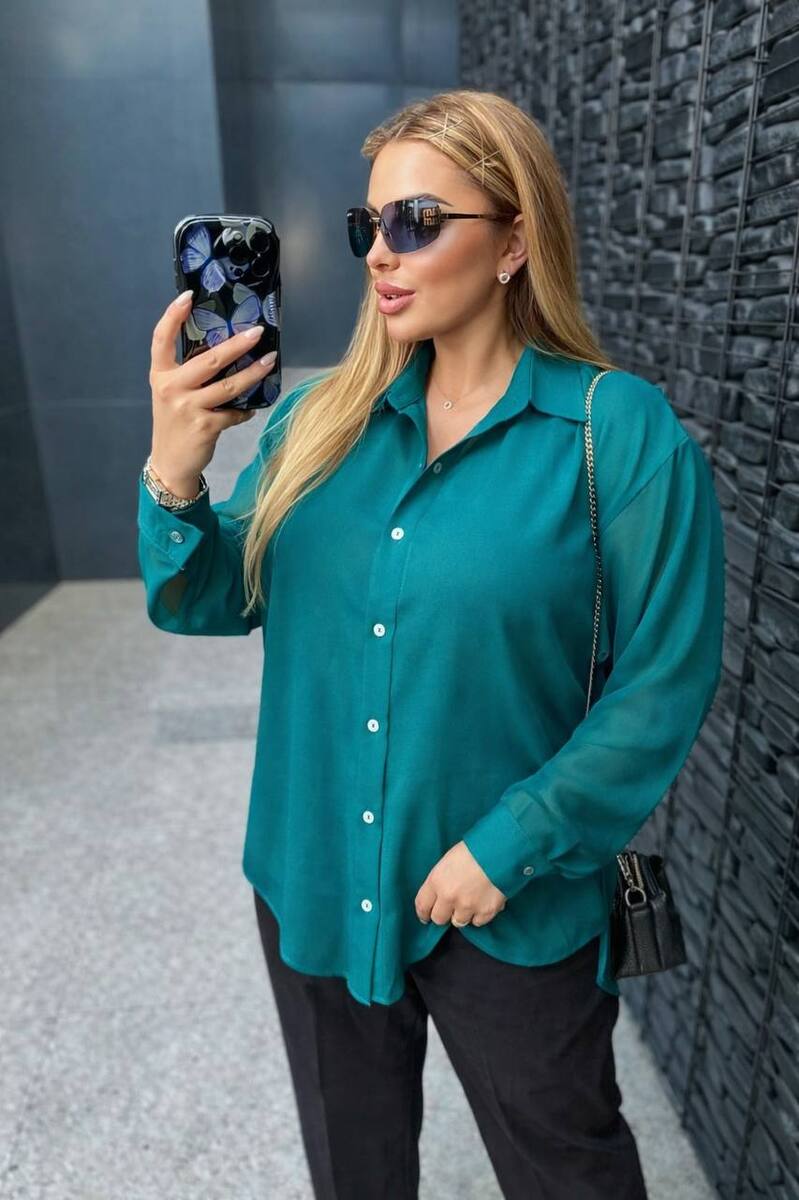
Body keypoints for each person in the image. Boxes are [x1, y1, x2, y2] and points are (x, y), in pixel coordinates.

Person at [138, 88, 725, 1200]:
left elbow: (663, 678)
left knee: (567, 1170)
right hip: (314, 875)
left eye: (414, 221)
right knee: (353, 1170)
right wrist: (176, 467)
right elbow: (205, 597)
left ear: (512, 242)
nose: (379, 253)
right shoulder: (316, 424)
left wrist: (511, 842)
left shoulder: (613, 434)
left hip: (506, 898)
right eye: (368, 225)